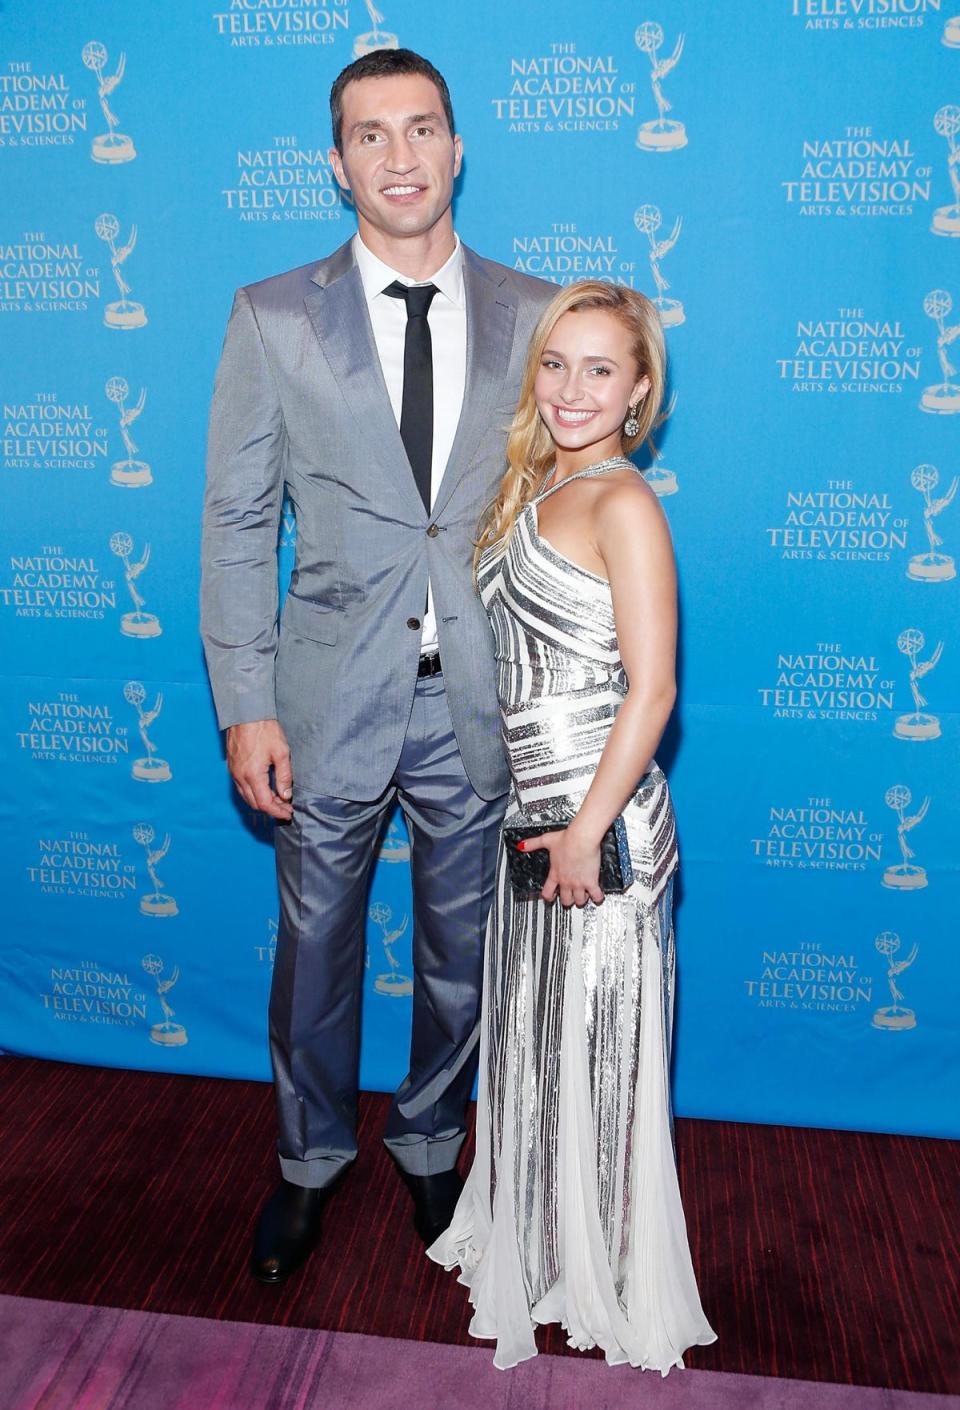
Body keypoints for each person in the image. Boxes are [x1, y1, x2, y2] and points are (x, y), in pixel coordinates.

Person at [200, 49, 553, 1285]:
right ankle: (306, 1162)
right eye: (371, 135)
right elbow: (240, 521)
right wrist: (245, 703)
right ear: (336, 163)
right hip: (324, 692)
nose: (399, 157)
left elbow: (575, 513)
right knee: (316, 950)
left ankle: (431, 1138)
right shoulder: (273, 315)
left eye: (423, 130)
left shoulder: (541, 313)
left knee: (467, 947)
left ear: (459, 149)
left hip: (483, 698)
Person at [428, 281, 717, 1372]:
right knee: (537, 1039)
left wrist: (590, 831)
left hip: (602, 827)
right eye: (557, 363)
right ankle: (541, 1240)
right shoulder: (533, 485)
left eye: (602, 369)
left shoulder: (624, 504)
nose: (573, 389)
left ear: (641, 391)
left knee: (598, 1049)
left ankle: (607, 1268)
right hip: (532, 819)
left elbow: (652, 692)